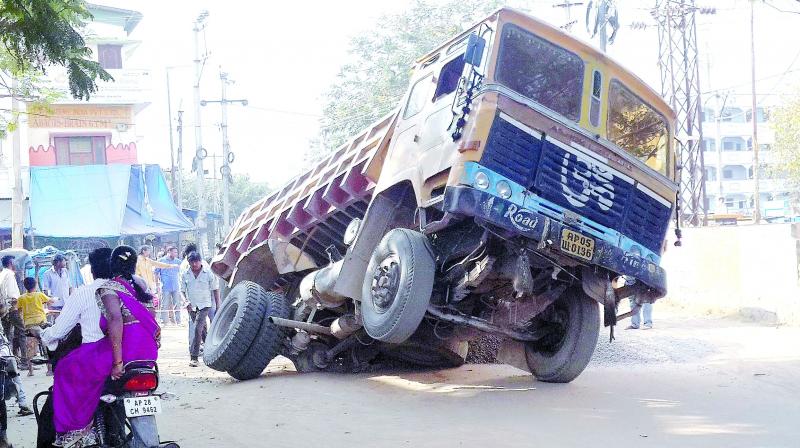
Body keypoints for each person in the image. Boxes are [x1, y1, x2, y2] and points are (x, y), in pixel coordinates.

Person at [42, 246, 160, 447]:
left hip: (112, 353)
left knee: (64, 370)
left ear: (94, 270)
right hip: (145, 354)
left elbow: (113, 321)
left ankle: (77, 432)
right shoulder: (137, 286)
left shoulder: (100, 290)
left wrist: (44, 335)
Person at [0, 256, 33, 417]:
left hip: (5, 315)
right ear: (11, 263)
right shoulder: (9, 275)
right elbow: (12, 296)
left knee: (10, 337)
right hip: (10, 309)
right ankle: (25, 359)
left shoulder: (3, 275)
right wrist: (11, 307)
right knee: (21, 332)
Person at [181, 251, 219, 367]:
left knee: (197, 329)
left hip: (205, 304)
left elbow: (215, 289)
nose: (194, 264)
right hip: (191, 306)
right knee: (202, 331)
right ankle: (211, 350)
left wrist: (218, 305)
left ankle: (194, 357)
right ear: (189, 262)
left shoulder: (208, 273)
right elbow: (181, 291)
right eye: (192, 262)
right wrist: (185, 301)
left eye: (196, 262)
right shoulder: (185, 274)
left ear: (200, 261)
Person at [17, 277, 55, 376]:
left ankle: (30, 371)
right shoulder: (39, 295)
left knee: (30, 349)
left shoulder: (21, 298)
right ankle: (49, 370)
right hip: (41, 324)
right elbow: (51, 301)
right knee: (46, 347)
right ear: (35, 285)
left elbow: (19, 310)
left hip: (29, 326)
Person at [155, 246, 183, 325]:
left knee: (177, 304)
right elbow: (156, 273)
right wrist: (157, 285)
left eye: (176, 252)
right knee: (165, 304)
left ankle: (178, 321)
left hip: (176, 286)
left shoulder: (178, 262)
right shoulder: (161, 261)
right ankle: (165, 321)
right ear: (169, 252)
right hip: (165, 287)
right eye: (174, 252)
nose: (176, 254)